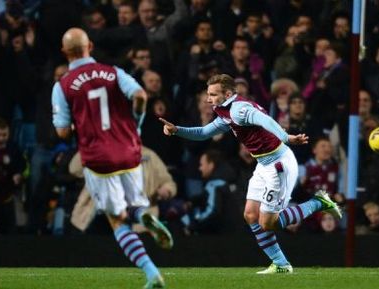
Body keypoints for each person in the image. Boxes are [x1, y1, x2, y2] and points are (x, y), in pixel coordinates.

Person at [159, 74, 341, 274]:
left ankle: (318, 202)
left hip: (279, 164)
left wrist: (286, 137)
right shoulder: (227, 112)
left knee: (267, 222)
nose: (208, 99)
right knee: (250, 215)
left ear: (227, 94)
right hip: (263, 164)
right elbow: (203, 133)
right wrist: (176, 130)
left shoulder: (239, 110)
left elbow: (266, 120)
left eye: (212, 94)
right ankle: (280, 264)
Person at [51, 28, 172, 289]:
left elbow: (61, 131)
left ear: (65, 52)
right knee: (133, 205)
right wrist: (136, 124)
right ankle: (144, 216)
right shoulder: (113, 72)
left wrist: (79, 123)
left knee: (116, 220)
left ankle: (152, 275)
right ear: (90, 46)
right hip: (129, 151)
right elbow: (140, 95)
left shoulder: (62, 86)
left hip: (98, 158)